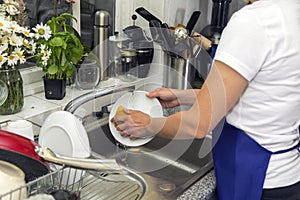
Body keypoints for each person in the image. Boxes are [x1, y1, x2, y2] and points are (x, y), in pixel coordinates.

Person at [111, 0, 300, 199]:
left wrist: (148, 125)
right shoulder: (291, 11)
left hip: (257, 179)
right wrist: (181, 96)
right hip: (286, 178)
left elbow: (197, 124)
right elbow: (259, 96)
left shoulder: (255, 21)